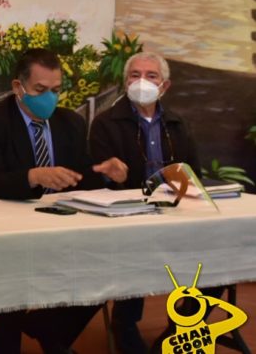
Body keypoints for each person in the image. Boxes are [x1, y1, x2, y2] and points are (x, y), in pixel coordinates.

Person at [0, 48, 129, 353]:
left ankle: (50, 330)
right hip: (11, 227)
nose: (49, 98)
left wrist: (105, 173)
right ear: (18, 87)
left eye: (56, 90)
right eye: (40, 90)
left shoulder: (70, 122)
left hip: (61, 224)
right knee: (13, 278)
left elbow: (79, 177)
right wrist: (33, 176)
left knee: (106, 265)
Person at [89, 52, 203, 354]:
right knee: (135, 252)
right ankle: (124, 324)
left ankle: (181, 326)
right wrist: (109, 174)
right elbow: (94, 177)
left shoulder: (178, 123)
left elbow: (193, 173)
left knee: (213, 255)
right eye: (134, 75)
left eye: (151, 76)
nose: (142, 81)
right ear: (125, 82)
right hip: (129, 218)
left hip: (176, 213)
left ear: (165, 85)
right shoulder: (105, 123)